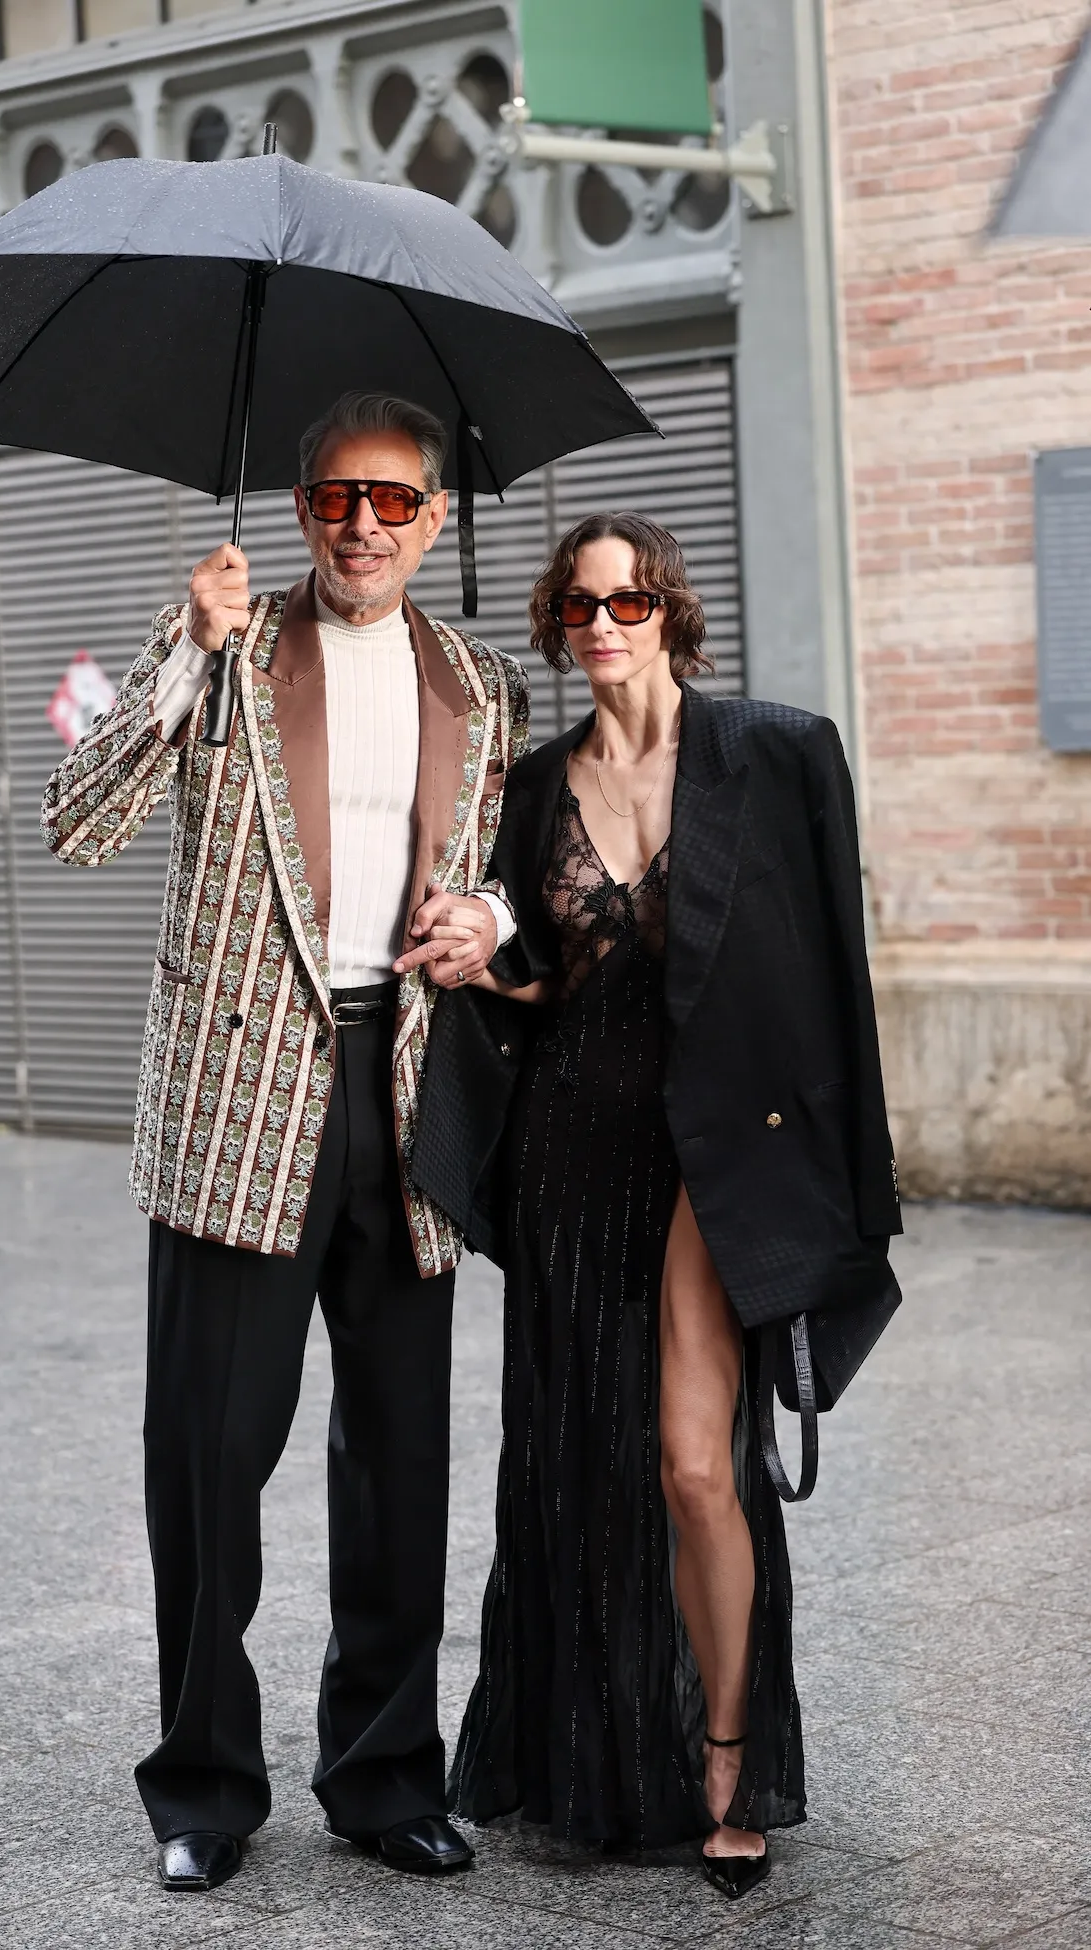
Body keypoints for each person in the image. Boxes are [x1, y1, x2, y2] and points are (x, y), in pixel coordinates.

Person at [41, 392, 529, 1892]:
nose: (361, 526)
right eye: (332, 498)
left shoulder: (480, 681)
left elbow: (508, 864)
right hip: (239, 1105)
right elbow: (78, 819)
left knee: (399, 1457)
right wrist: (185, 652)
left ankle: (385, 1775)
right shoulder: (226, 645)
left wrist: (491, 915)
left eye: (392, 501)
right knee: (208, 1456)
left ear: (433, 518)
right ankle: (203, 1785)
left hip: (408, 1093)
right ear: (301, 506)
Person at [401, 511, 900, 1897]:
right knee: (572, 1459)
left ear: (672, 612)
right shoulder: (533, 785)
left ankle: (729, 1752)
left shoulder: (776, 754)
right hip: (571, 1151)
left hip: (716, 1155)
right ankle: (598, 1761)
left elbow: (835, 974)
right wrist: (483, 959)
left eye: (628, 602)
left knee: (693, 1464)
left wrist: (853, 1181)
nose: (604, 627)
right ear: (559, 628)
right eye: (579, 608)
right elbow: (546, 973)